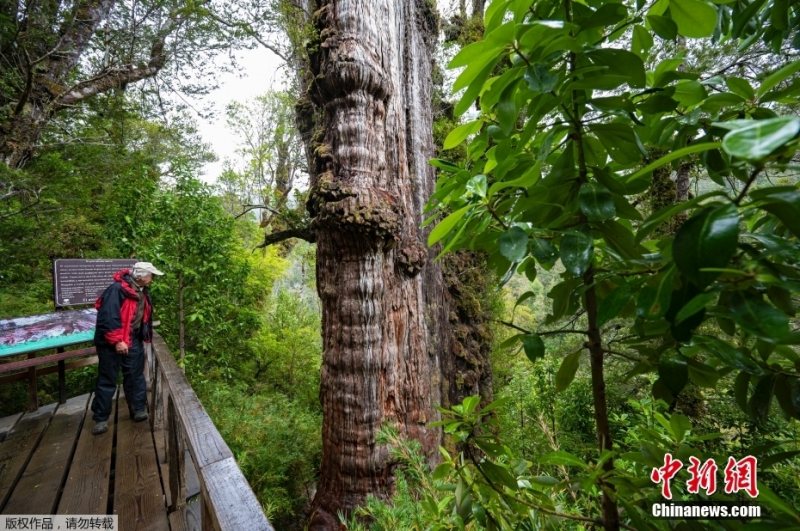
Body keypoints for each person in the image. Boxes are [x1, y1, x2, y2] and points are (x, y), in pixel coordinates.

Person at [91, 261, 164, 435]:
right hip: (111, 341)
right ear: (140, 276)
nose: (152, 279)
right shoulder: (117, 290)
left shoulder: (142, 291)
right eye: (150, 275)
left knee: (135, 375)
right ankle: (100, 419)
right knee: (108, 378)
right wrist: (117, 341)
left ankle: (138, 409)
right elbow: (108, 317)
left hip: (133, 339)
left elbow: (141, 315)